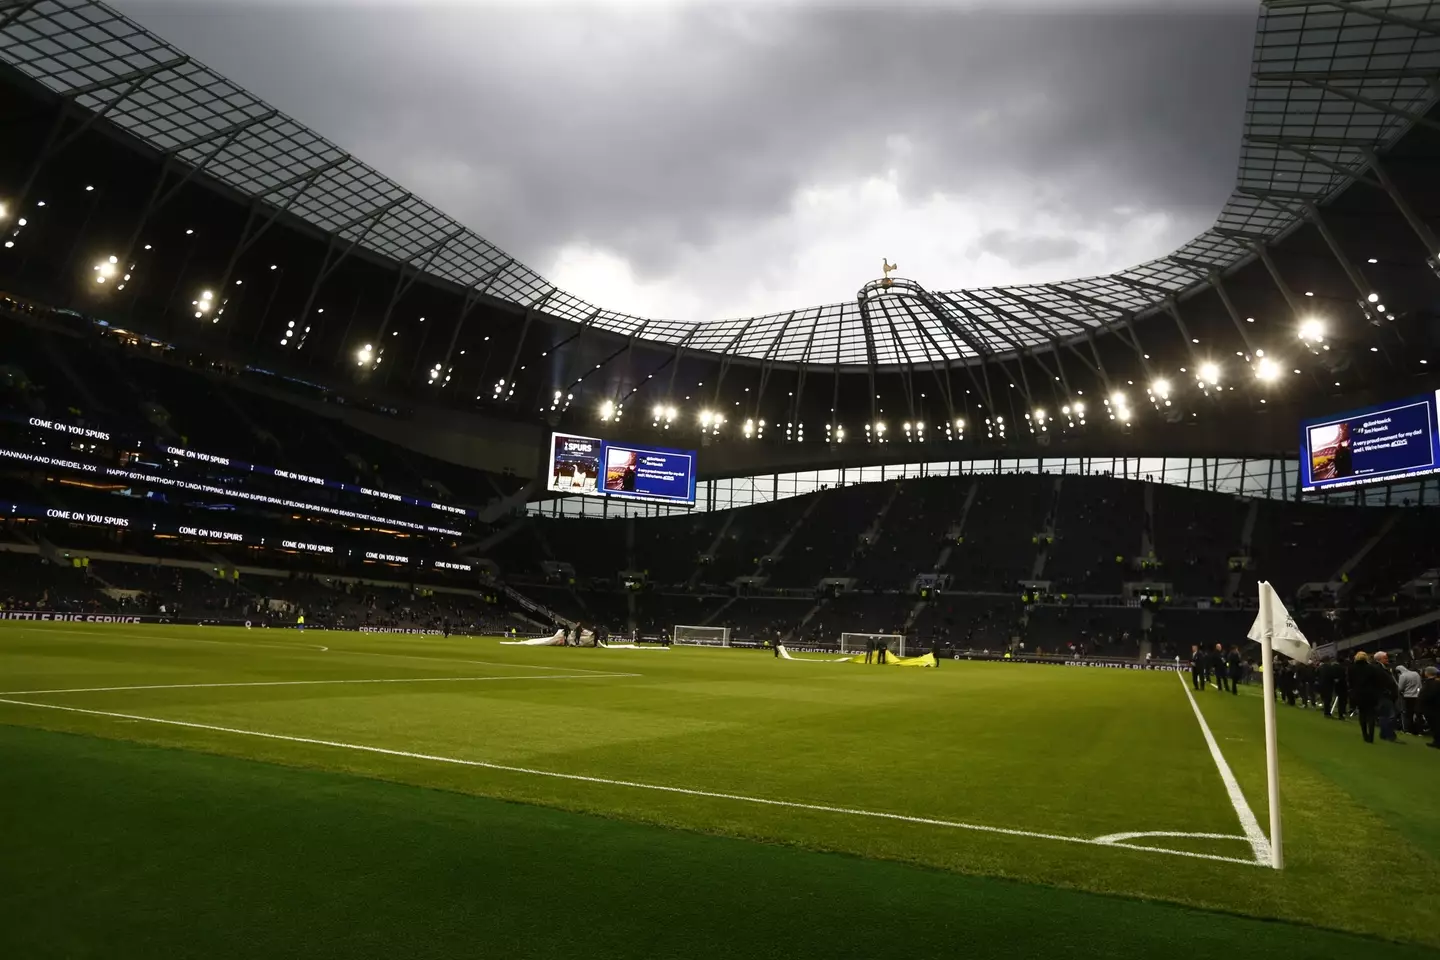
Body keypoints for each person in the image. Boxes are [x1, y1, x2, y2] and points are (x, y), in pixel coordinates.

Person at [1349, 651, 1381, 743]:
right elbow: (1376, 681)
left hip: (1358, 694)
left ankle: (1365, 734)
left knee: (1362, 714)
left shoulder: (1352, 668)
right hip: (1370, 694)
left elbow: (1351, 682)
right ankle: (1371, 736)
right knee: (1371, 715)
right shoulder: (1372, 668)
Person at [1372, 651, 1402, 742]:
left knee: (1384, 715)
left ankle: (1384, 734)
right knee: (1390, 715)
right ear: (1379, 659)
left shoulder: (1383, 668)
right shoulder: (1378, 668)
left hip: (1386, 695)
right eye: (1385, 658)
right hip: (1384, 695)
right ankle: (1390, 735)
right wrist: (1387, 691)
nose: (1387, 659)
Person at [1396, 662, 1422, 735]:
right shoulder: (1415, 674)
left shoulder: (1403, 676)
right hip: (1417, 695)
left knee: (1409, 714)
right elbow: (1420, 685)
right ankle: (1419, 731)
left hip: (1408, 696)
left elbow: (1400, 688)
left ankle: (1409, 730)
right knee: (1418, 714)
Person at [1418, 666, 1440, 749]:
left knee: (1435, 725)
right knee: (1434, 724)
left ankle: (1438, 742)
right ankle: (1436, 741)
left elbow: (1430, 694)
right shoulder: (1434, 682)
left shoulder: (1433, 683)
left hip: (1432, 707)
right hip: (1433, 706)